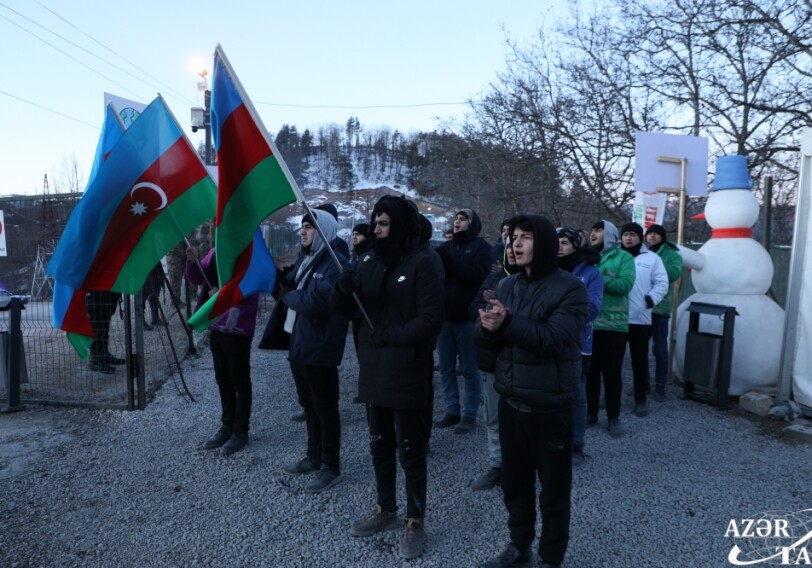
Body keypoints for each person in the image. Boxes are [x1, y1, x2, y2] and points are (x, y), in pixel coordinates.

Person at [332, 195, 443, 561]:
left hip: (408, 369)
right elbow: (348, 308)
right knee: (379, 443)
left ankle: (415, 521)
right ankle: (386, 509)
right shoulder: (368, 260)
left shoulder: (424, 263)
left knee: (410, 449)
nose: (375, 229)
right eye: (374, 223)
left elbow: (430, 321)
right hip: (374, 369)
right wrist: (342, 290)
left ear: (399, 225)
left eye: (382, 223)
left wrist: (390, 335)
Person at [476, 214, 587, 568]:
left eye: (525, 237)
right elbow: (487, 350)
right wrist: (489, 329)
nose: (516, 244)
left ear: (546, 244)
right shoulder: (507, 286)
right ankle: (519, 545)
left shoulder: (571, 288)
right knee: (514, 485)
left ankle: (551, 558)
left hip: (550, 406)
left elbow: (554, 340)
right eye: (513, 238)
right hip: (512, 400)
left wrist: (506, 323)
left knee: (553, 491)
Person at [280, 209, 349, 493]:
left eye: (310, 227)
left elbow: (319, 302)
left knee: (325, 407)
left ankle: (330, 466)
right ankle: (314, 455)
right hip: (299, 342)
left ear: (326, 231)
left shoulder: (336, 263)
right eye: (303, 227)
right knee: (308, 404)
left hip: (319, 346)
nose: (304, 232)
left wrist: (290, 297)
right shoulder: (306, 259)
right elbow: (289, 286)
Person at [186, 245, 259, 456]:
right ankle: (227, 426)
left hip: (237, 328)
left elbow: (252, 284)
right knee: (223, 378)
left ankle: (241, 430)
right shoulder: (216, 248)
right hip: (217, 325)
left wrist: (224, 295)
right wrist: (193, 261)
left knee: (240, 380)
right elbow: (197, 279)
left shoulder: (249, 251)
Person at [468, 232, 519, 491]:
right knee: (493, 417)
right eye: (509, 245)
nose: (513, 249)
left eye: (521, 243)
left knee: (522, 419)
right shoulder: (494, 277)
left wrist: (506, 316)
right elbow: (474, 306)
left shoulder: (539, 283)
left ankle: (521, 468)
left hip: (522, 363)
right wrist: (486, 315)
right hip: (491, 360)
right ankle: (497, 465)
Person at [434, 208, 492, 434]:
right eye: (456, 218)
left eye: (463, 219)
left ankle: (469, 414)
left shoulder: (481, 248)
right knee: (446, 369)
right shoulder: (445, 248)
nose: (457, 221)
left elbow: (477, 277)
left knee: (470, 369)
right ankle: (452, 410)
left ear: (473, 224)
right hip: (445, 318)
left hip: (468, 318)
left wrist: (452, 263)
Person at [556, 227, 603, 466]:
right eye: (556, 242)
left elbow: (592, 308)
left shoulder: (590, 273)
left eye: (564, 242)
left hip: (578, 341)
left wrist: (560, 321)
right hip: (548, 339)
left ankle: (576, 444)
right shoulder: (546, 268)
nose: (559, 247)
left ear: (575, 245)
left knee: (577, 392)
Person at [587, 220, 635, 438]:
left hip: (614, 325)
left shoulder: (623, 257)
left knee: (612, 372)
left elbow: (625, 285)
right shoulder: (587, 257)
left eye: (599, 230)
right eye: (593, 229)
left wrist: (598, 278)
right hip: (589, 323)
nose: (593, 233)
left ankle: (614, 417)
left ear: (610, 234)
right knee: (590, 372)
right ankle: (590, 413)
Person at [620, 222, 668, 418]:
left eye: (632, 234)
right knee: (612, 361)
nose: (628, 238)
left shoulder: (652, 259)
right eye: (625, 235)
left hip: (640, 318)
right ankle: (610, 396)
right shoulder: (616, 256)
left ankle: (640, 399)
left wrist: (650, 300)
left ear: (640, 237)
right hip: (615, 318)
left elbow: (662, 283)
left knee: (639, 361)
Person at [645, 224, 683, 402]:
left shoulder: (671, 253)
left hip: (660, 307)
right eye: (649, 233)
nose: (651, 236)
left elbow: (674, 273)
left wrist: (652, 268)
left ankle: (660, 385)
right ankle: (643, 383)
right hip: (641, 307)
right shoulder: (641, 251)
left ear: (662, 236)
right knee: (639, 348)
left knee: (660, 348)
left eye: (655, 234)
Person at [87, 290, 123, 374]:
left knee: (105, 314)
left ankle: (103, 354)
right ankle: (95, 359)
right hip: (93, 284)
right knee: (95, 314)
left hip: (109, 284)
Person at [141, 262, 165, 330]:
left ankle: (155, 318)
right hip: (142, 269)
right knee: (142, 297)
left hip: (153, 266)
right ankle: (141, 322)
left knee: (154, 295)